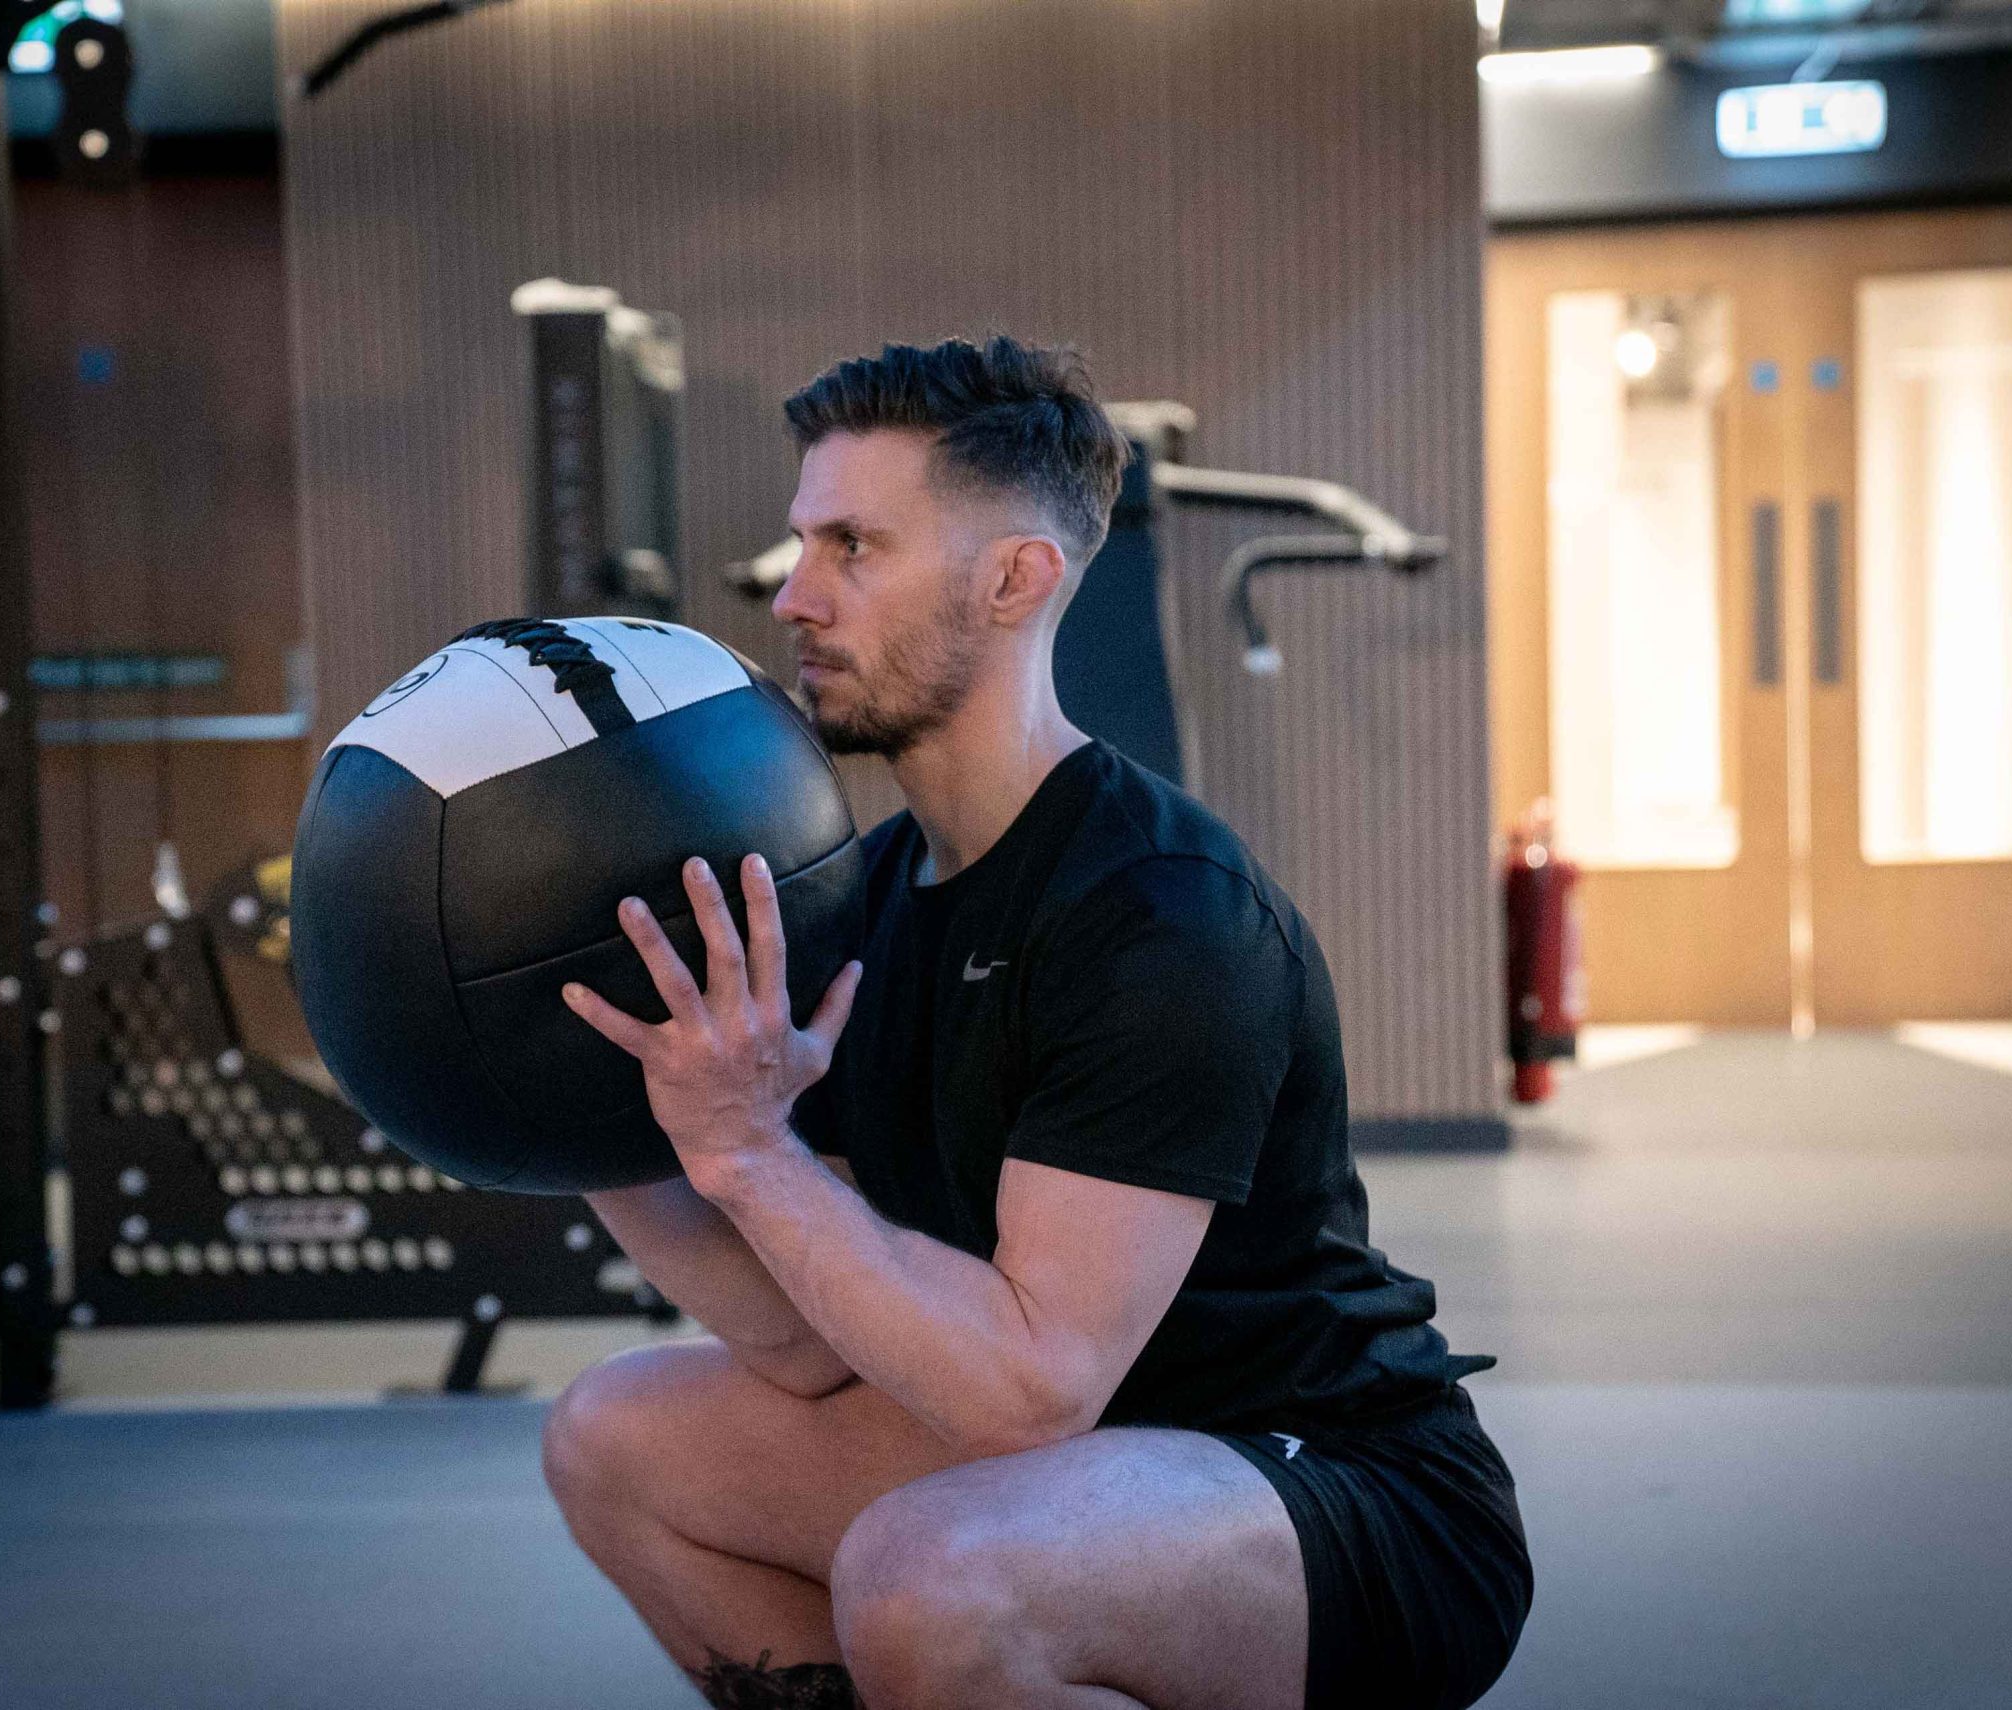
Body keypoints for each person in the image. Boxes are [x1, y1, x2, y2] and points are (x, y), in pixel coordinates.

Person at [549, 336, 1532, 1710]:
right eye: (799, 544)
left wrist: (749, 1153)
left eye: (852, 546)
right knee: (615, 1438)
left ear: (1014, 579)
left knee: (927, 1578)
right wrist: (580, 1110)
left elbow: (1029, 1386)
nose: (796, 597)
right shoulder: (869, 898)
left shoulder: (1160, 917)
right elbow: (807, 1340)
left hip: (1327, 1484)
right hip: (1078, 1460)